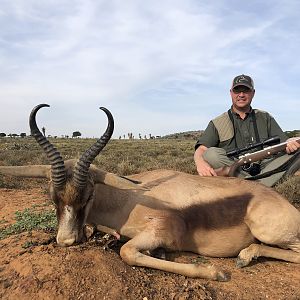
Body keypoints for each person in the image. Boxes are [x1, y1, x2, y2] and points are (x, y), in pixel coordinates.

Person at [194, 74, 300, 187]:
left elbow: (284, 143)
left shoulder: (265, 117)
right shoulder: (217, 122)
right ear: (230, 93)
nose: (241, 95)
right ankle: (263, 186)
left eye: (246, 90)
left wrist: (291, 143)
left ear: (253, 93)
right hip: (236, 168)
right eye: (237, 91)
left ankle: (251, 186)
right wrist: (200, 163)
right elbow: (201, 149)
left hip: (266, 167)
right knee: (211, 154)